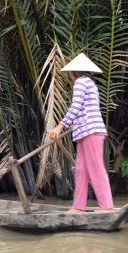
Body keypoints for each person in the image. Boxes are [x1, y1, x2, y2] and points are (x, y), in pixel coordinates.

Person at [48, 53, 114, 212]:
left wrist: (60, 126)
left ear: (75, 72)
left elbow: (76, 107)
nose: (70, 76)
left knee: (96, 168)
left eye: (70, 73)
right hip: (85, 133)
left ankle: (106, 206)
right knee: (81, 171)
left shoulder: (80, 82)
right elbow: (82, 109)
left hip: (90, 132)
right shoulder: (89, 83)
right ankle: (78, 207)